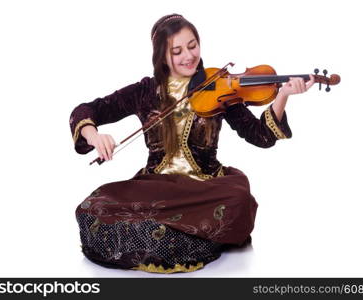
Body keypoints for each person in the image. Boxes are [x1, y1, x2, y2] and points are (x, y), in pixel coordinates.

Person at [69, 13, 315, 273]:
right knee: (92, 206)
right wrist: (94, 135)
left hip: (205, 187)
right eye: (176, 51)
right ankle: (174, 231)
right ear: (162, 56)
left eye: (192, 45)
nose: (188, 56)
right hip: (156, 186)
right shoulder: (144, 91)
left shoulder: (219, 86)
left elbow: (260, 136)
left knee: (239, 199)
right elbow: (87, 109)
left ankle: (157, 229)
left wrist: (283, 95)